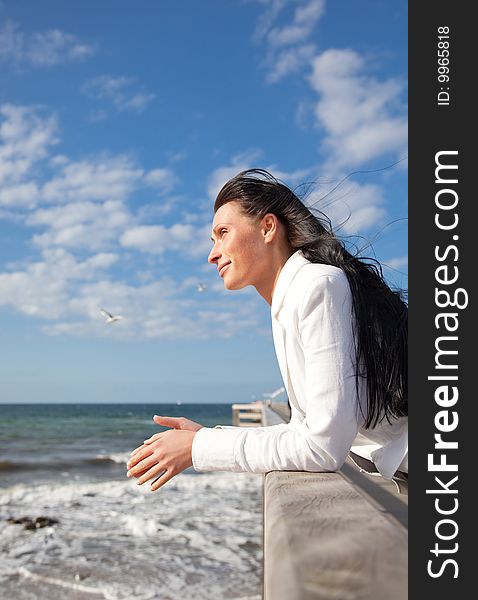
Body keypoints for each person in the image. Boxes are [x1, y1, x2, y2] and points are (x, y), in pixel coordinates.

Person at [126, 169, 408, 492]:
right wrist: (204, 437)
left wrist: (197, 449)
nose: (212, 254)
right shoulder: (287, 302)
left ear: (268, 227)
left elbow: (322, 447)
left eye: (223, 233)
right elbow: (301, 429)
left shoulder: (317, 285)